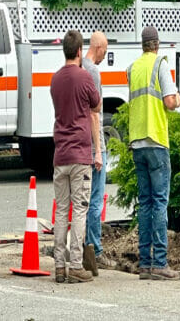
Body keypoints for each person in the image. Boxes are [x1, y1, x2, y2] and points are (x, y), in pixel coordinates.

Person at [127, 26, 180, 280]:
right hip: (157, 140)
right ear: (157, 45)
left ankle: (145, 264)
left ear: (142, 45)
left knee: (146, 202)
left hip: (137, 141)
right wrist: (179, 100)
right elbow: (170, 102)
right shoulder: (160, 63)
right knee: (160, 202)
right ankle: (160, 262)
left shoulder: (133, 68)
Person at [50, 30, 102, 284]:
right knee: (80, 210)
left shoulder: (55, 79)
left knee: (61, 210)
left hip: (60, 153)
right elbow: (97, 105)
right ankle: (76, 265)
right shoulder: (84, 77)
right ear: (80, 51)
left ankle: (59, 266)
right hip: (80, 154)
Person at [82, 31, 117, 273]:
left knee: (82, 200)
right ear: (99, 47)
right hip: (94, 146)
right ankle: (95, 248)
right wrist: (98, 150)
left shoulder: (78, 67)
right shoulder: (92, 71)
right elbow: (95, 113)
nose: (105, 55)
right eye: (105, 50)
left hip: (81, 144)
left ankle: (83, 246)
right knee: (96, 199)